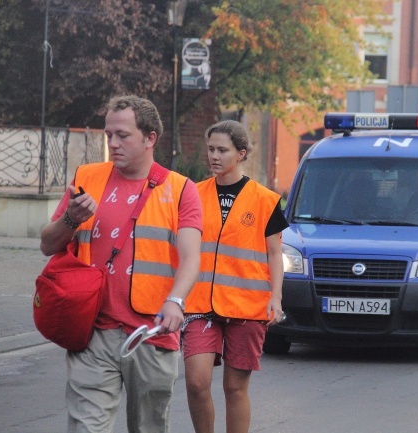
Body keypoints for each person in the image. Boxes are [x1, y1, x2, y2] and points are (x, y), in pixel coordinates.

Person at [39, 95, 202, 433]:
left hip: (151, 333)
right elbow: (47, 244)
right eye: (108, 135)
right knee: (86, 427)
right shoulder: (88, 177)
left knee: (148, 427)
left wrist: (175, 301)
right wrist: (70, 219)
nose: (112, 143)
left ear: (150, 138)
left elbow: (190, 259)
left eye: (122, 136)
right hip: (92, 330)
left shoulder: (180, 189)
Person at [182, 120, 289, 433]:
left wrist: (276, 297)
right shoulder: (193, 195)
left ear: (241, 153)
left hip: (248, 306)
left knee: (234, 387)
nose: (214, 156)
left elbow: (274, 254)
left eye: (222, 150)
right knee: (196, 382)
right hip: (199, 303)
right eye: (211, 149)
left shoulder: (266, 200)